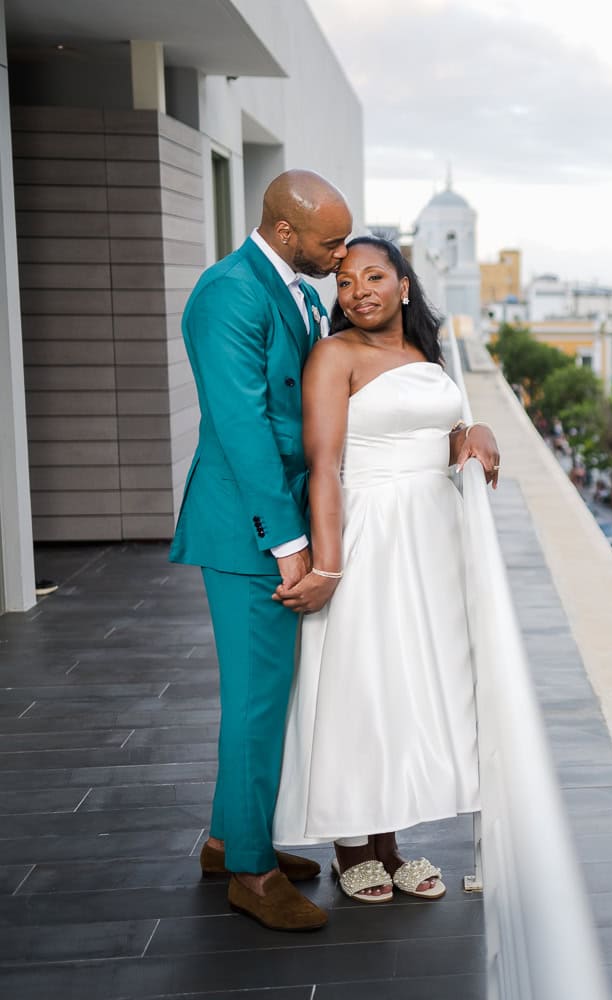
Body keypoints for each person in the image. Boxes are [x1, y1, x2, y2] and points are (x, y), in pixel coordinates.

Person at [270, 236, 499, 905]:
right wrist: (330, 566)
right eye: (345, 281)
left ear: (404, 285)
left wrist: (474, 432)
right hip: (367, 531)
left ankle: (391, 844)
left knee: (407, 680)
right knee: (359, 679)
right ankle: (351, 843)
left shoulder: (425, 354)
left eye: (374, 276)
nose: (359, 290)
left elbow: (440, 433)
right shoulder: (334, 354)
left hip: (430, 535)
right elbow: (324, 466)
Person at [170, 170, 352, 931]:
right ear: (285, 234)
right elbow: (243, 427)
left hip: (271, 519)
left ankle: (226, 840)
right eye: (330, 242)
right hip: (252, 531)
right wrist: (288, 543)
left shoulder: (291, 285)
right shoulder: (229, 293)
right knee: (254, 702)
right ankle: (251, 871)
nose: (343, 257)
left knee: (263, 698)